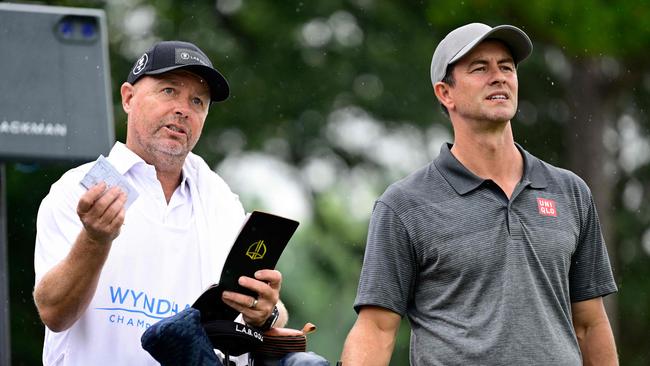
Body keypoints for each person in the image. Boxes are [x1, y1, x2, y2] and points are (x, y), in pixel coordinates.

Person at [33, 40, 328, 366]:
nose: (183, 109)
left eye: (198, 101)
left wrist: (267, 312)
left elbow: (270, 310)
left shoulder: (220, 199)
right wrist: (95, 238)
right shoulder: (77, 189)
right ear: (128, 98)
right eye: (169, 91)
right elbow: (53, 312)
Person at [340, 23, 619, 365]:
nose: (499, 77)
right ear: (445, 93)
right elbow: (377, 330)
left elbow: (590, 324)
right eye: (480, 68)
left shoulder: (570, 191)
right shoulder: (403, 205)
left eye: (506, 67)